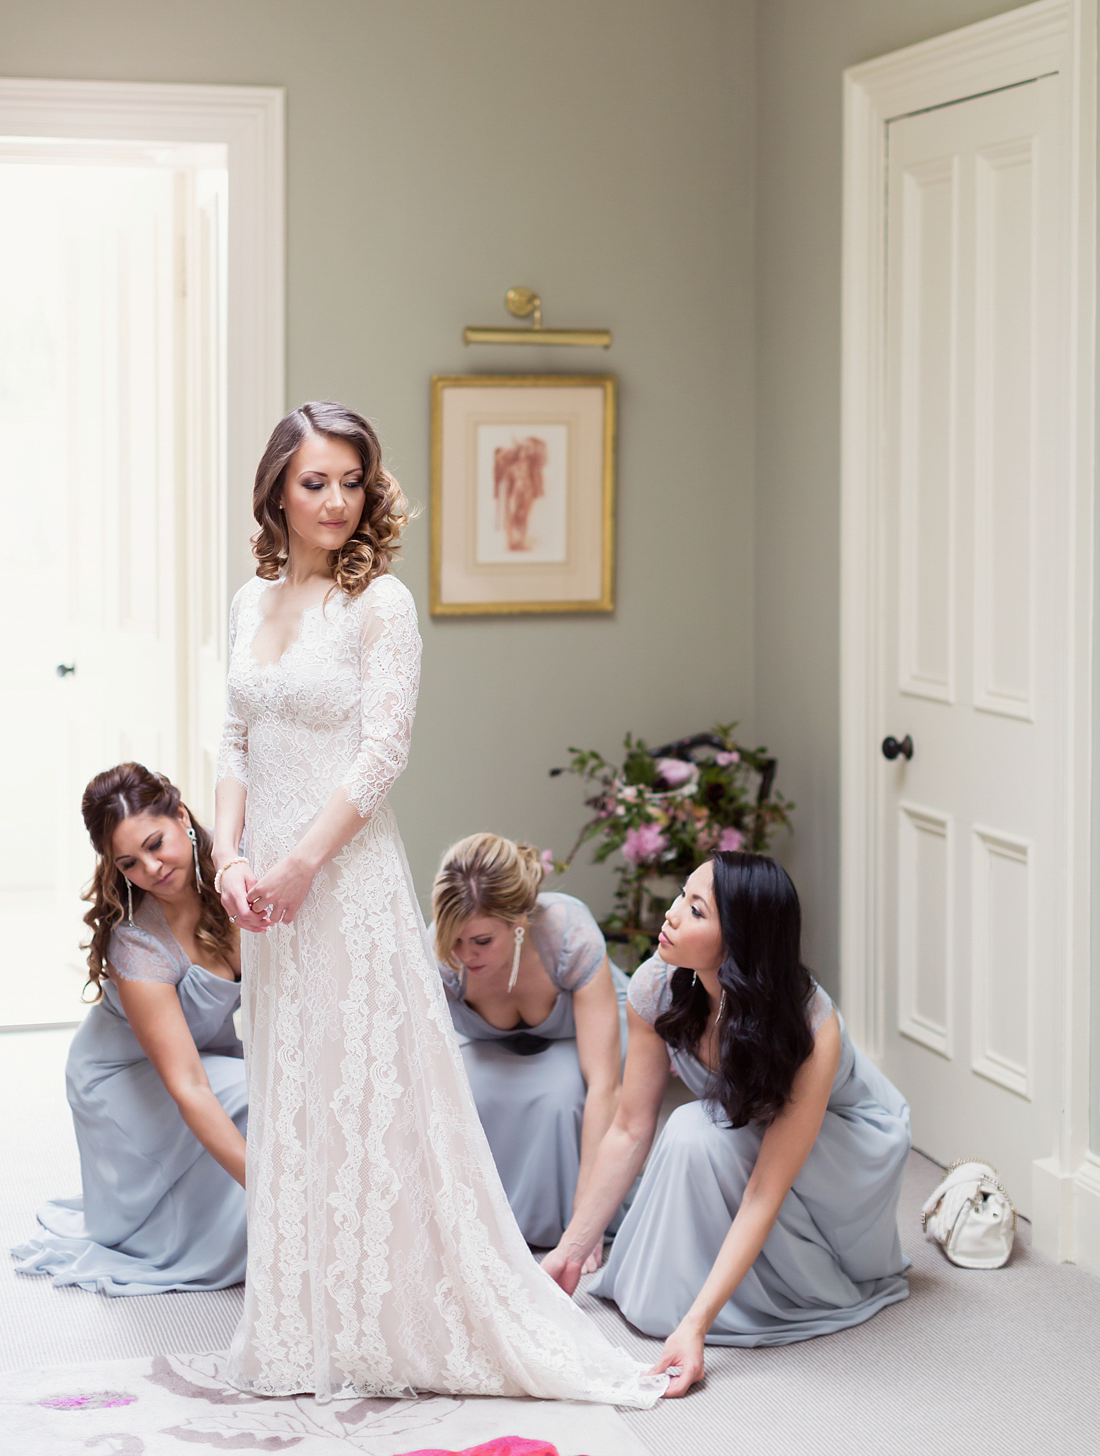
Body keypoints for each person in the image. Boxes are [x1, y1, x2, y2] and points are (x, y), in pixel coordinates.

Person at [213, 401, 663, 1406]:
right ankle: (301, 1323)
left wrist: (298, 868)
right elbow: (232, 743)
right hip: (268, 896)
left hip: (345, 882)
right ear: (277, 490)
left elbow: (383, 752)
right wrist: (230, 858)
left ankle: (385, 1320)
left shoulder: (381, 606)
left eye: (351, 482)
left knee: (368, 1093)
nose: (335, 501)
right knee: (294, 1090)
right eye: (315, 481)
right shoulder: (249, 602)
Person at [543, 854, 911, 1395]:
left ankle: (773, 1285)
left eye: (694, 910)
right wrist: (573, 1248)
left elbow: (765, 1189)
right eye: (681, 896)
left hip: (849, 1140)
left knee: (700, 1128)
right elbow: (629, 1128)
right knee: (698, 1131)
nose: (669, 915)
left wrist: (695, 1326)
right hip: (746, 1125)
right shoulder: (656, 987)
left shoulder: (811, 1025)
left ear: (739, 940)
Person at [12, 763, 246, 1294]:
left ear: (182, 816)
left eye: (156, 843)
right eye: (129, 863)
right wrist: (269, 1190)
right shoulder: (136, 942)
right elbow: (187, 1086)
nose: (151, 868)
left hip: (200, 1057)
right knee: (257, 1094)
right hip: (120, 1079)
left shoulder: (233, 872)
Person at [431, 833, 626, 1260]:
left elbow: (604, 1084)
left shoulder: (569, 934)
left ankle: (568, 1215)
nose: (466, 954)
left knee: (563, 1096)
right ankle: (493, 1220)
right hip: (489, 1046)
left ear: (519, 921)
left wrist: (584, 1227)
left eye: (481, 941)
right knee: (476, 1093)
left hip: (582, 1035)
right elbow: (426, 1079)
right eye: (456, 940)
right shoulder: (443, 956)